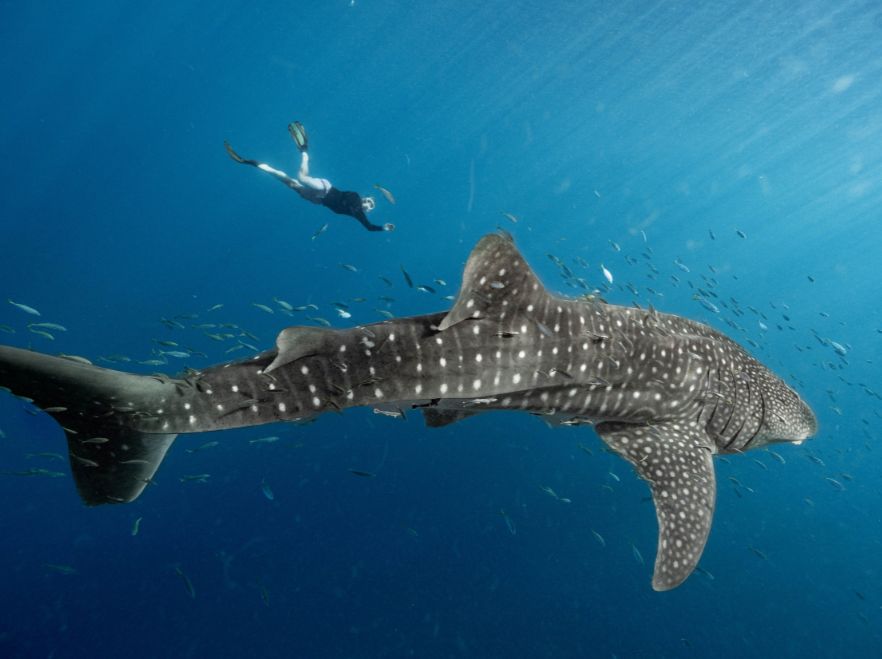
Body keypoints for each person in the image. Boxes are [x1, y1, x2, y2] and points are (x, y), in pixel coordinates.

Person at [225, 122, 393, 233]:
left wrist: (384, 228)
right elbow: (354, 206)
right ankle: (304, 152)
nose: (368, 203)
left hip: (318, 200)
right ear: (364, 199)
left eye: (370, 205)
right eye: (368, 200)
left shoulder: (358, 214)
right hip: (325, 188)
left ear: (369, 210)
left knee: (289, 182)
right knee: (302, 177)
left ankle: (252, 163)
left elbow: (369, 227)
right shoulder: (355, 198)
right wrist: (361, 212)